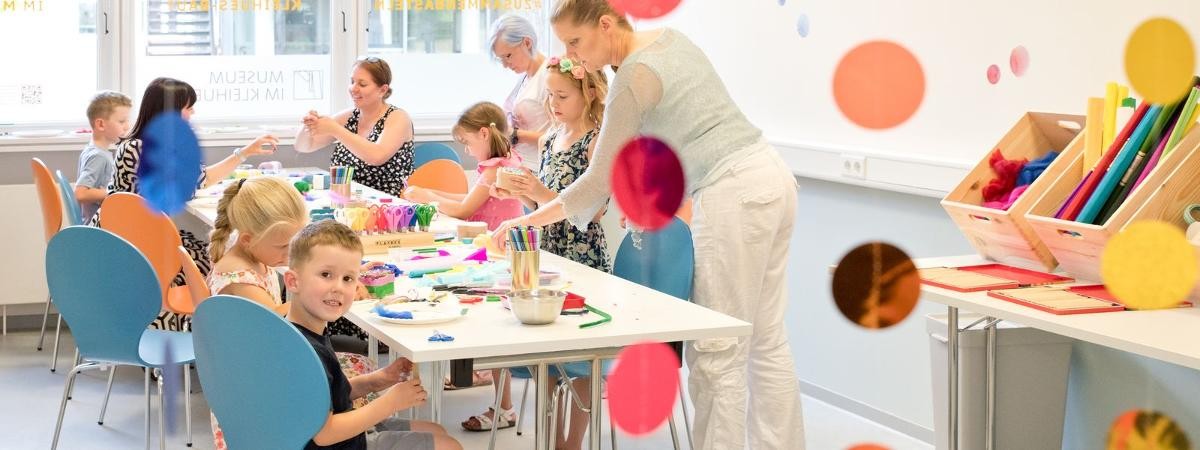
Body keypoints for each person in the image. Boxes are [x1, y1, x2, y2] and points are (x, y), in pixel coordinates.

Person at [492, 1, 805, 448]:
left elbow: (596, 180)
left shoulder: (634, 75)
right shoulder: (672, 41)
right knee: (768, 340)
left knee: (718, 352)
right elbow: (683, 128)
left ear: (605, 24)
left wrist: (527, 223)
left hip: (733, 190)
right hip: (772, 177)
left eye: (576, 42)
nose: (572, 54)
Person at [104, 77, 277, 331]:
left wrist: (243, 153)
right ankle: (217, 331)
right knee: (214, 258)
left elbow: (197, 180)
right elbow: (197, 181)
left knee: (206, 247)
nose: (192, 112)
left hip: (121, 238)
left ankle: (205, 331)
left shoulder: (134, 144)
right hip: (142, 247)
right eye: (188, 107)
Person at [285, 219, 463, 450]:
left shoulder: (303, 332)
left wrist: (377, 380)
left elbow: (329, 396)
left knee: (437, 431)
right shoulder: (306, 352)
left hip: (346, 435)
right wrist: (390, 402)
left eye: (348, 278)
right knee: (448, 446)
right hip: (338, 442)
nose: (338, 287)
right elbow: (324, 434)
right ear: (292, 281)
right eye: (326, 274)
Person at [295, 57, 416, 197]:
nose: (353, 88)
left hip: (388, 205)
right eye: (352, 82)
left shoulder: (398, 117)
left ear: (382, 90)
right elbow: (304, 146)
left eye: (362, 84)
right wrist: (307, 127)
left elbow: (376, 156)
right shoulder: (348, 116)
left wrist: (335, 129)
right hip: (346, 201)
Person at [403, 102, 523, 231]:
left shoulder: (494, 169)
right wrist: (431, 193)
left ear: (484, 134)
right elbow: (471, 199)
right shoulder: (504, 162)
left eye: (467, 143)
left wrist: (427, 197)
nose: (467, 150)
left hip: (494, 236)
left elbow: (463, 211)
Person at [206, 176, 307, 315]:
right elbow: (276, 321)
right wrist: (312, 296)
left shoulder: (249, 250)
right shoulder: (241, 279)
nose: (291, 253)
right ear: (248, 239)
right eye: (283, 246)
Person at [75, 91, 132, 220]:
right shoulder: (98, 156)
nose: (127, 126)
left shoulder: (92, 150)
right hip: (101, 227)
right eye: (122, 121)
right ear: (101, 124)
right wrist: (116, 193)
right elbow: (81, 193)